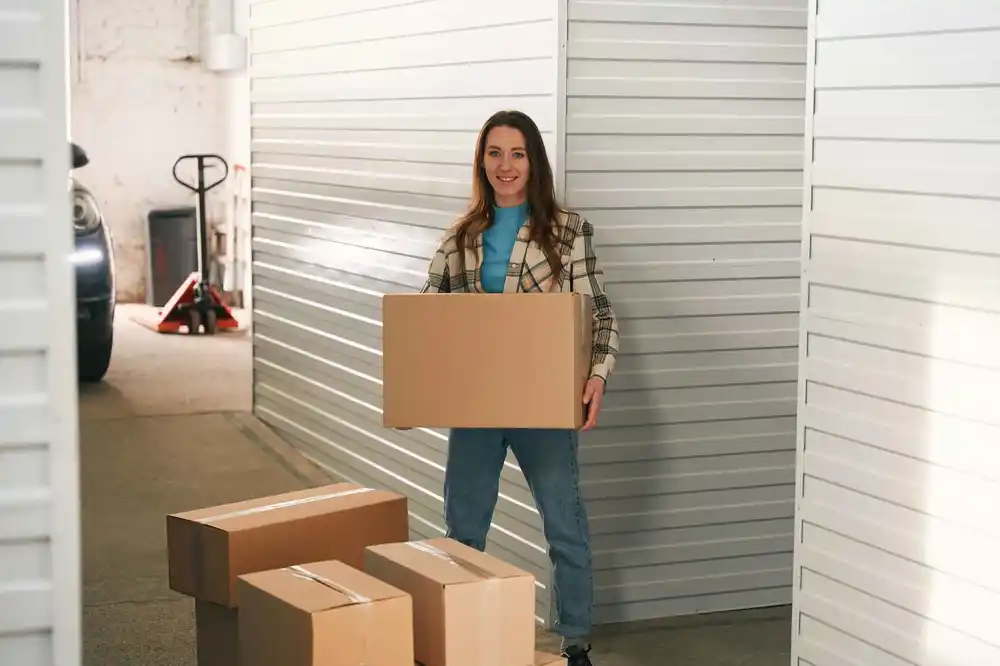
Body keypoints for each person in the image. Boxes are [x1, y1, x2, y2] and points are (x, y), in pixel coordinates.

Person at [419, 109, 620, 666]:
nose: (505, 165)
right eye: (494, 153)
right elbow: (427, 320)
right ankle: (461, 640)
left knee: (563, 525)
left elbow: (600, 316)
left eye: (517, 153)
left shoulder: (567, 231)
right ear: (481, 162)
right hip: (479, 402)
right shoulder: (461, 238)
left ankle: (575, 643)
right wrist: (419, 385)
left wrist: (597, 377)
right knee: (463, 530)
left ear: (534, 162)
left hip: (543, 402)